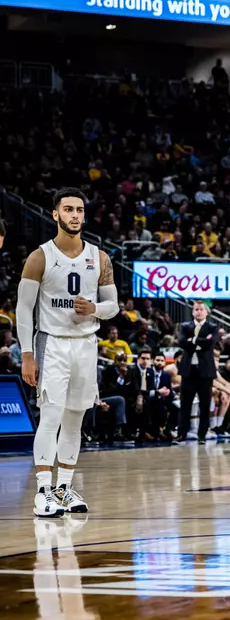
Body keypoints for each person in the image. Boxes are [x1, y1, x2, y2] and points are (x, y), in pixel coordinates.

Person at [16, 187, 118, 517]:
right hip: (52, 343)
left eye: (80, 210)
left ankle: (64, 489)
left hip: (86, 345)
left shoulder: (100, 258)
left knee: (75, 420)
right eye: (68, 209)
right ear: (55, 214)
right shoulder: (40, 257)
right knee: (50, 417)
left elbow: (113, 306)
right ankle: (43, 492)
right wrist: (27, 353)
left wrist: (95, 309)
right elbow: (23, 308)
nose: (75, 215)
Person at [173, 299, 219, 444]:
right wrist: (200, 341)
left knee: (204, 404)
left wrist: (192, 341)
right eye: (196, 309)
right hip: (188, 370)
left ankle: (202, 434)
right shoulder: (185, 326)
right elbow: (181, 342)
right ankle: (182, 433)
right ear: (192, 311)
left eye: (201, 309)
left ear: (206, 312)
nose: (198, 312)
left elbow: (210, 343)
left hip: (205, 372)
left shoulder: (212, 327)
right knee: (185, 403)